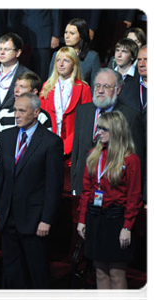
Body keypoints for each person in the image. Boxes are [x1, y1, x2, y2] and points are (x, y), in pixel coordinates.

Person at [0, 92, 64, 300]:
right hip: (7, 216)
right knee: (13, 270)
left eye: (22, 111)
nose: (17, 115)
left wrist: (46, 219)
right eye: (15, 110)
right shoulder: (6, 137)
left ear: (36, 112)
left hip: (34, 220)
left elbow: (53, 186)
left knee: (37, 272)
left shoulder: (51, 142)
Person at [77, 111, 142, 300]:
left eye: (104, 129)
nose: (99, 132)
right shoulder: (94, 154)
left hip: (117, 219)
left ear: (116, 131)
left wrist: (127, 227)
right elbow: (87, 191)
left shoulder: (130, 159)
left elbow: (134, 197)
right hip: (95, 216)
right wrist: (82, 220)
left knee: (116, 272)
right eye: (99, 128)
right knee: (99, 271)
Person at [71, 68, 145, 197]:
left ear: (118, 90)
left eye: (106, 86)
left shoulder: (131, 117)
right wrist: (74, 183)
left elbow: (136, 159)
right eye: (98, 86)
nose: (100, 90)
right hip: (83, 188)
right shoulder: (83, 111)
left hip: (114, 191)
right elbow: (77, 150)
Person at [0, 71, 52, 174]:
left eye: (22, 87)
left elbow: (47, 149)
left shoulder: (42, 117)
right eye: (16, 85)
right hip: (6, 172)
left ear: (34, 92)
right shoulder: (4, 114)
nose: (17, 90)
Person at [40, 46, 92, 164]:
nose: (61, 64)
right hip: (48, 147)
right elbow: (41, 118)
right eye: (58, 60)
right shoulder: (47, 86)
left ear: (74, 64)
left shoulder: (84, 89)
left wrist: (65, 147)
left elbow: (85, 123)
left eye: (66, 60)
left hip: (72, 149)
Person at [118, 44, 151, 207]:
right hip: (130, 153)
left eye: (147, 60)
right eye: (139, 60)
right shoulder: (126, 87)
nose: (142, 64)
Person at [0, 33, 30, 119]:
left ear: (18, 53)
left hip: (14, 123)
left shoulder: (26, 74)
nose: (2, 52)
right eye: (0, 49)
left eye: (6, 49)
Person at [7, 8, 61, 81]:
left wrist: (56, 35)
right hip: (24, 34)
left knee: (42, 70)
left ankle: (42, 91)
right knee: (25, 70)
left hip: (42, 35)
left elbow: (56, 11)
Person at [49, 18, 101, 86]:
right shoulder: (57, 55)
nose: (67, 36)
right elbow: (50, 84)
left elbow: (95, 87)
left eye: (72, 33)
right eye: (66, 32)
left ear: (82, 35)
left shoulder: (92, 57)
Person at [107, 38, 140, 104]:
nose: (119, 55)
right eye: (117, 50)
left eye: (124, 51)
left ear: (132, 57)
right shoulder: (107, 75)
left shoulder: (139, 78)